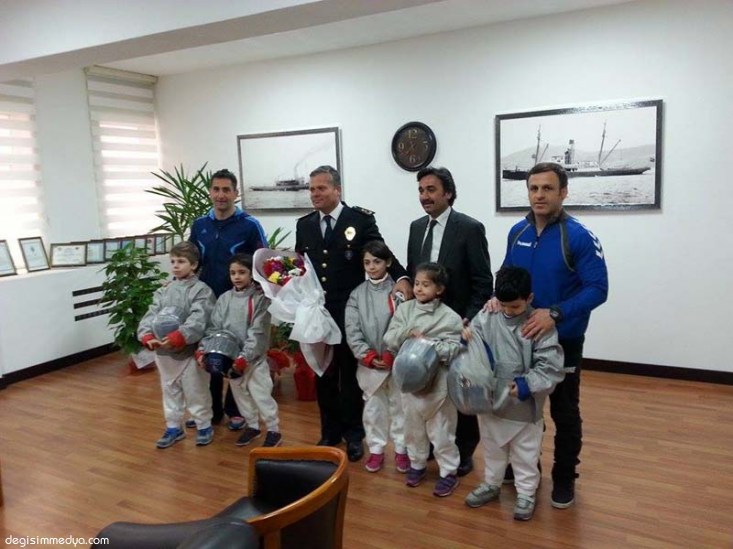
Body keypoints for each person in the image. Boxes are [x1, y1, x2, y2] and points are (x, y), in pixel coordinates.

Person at [492, 162, 608, 509]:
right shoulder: (517, 231)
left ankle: (564, 477)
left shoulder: (578, 236)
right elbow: (507, 275)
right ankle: (527, 467)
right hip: (522, 339)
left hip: (564, 339)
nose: (539, 195)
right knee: (524, 407)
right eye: (534, 188)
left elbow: (598, 289)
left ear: (563, 192)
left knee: (564, 411)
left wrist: (554, 314)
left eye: (547, 188)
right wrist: (497, 297)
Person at [295, 165, 411, 462]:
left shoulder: (359, 220)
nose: (315, 194)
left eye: (321, 188)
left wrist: (401, 278)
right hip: (319, 313)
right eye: (311, 189)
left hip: (350, 311)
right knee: (323, 373)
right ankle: (329, 431)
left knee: (349, 375)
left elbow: (382, 252)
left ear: (337, 190)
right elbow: (300, 266)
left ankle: (355, 434)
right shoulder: (305, 225)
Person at [406, 166, 493, 477]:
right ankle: (434, 443)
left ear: (449, 193)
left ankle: (464, 450)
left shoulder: (469, 228)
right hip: (424, 325)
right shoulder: (416, 227)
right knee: (428, 385)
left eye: (431, 189)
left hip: (458, 326)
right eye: (421, 190)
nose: (424, 196)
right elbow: (414, 275)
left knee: (458, 387)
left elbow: (483, 281)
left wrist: (467, 320)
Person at [463, 266, 565, 521]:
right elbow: (473, 347)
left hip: (523, 406)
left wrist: (524, 385)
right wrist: (466, 337)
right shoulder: (488, 316)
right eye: (503, 305)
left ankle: (526, 493)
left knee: (525, 454)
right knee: (492, 448)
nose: (508, 311)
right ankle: (491, 484)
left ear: (529, 298)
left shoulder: (539, 325)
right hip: (489, 400)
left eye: (515, 307)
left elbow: (550, 367)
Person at [189, 168, 267, 428]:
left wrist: (262, 292)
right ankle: (211, 411)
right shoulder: (199, 225)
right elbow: (191, 261)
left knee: (235, 353)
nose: (220, 195)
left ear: (236, 193)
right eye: (216, 189)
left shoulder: (249, 225)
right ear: (210, 192)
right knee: (209, 353)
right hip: (206, 301)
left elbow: (263, 261)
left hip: (239, 301)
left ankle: (237, 410)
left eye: (226, 190)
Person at [383, 262, 464, 497]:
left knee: (442, 432)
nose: (418, 288)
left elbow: (455, 348)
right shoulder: (405, 310)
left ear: (439, 289)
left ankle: (448, 472)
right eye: (417, 283)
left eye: (425, 285)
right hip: (408, 385)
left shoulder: (449, 317)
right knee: (413, 429)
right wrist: (406, 335)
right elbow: (389, 338)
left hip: (438, 387)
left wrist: (428, 346)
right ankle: (417, 464)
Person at [197, 253, 282, 448]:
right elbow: (214, 328)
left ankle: (273, 430)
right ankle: (252, 426)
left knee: (261, 395)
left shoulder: (260, 299)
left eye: (242, 272)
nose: (236, 277)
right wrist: (204, 350)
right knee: (240, 396)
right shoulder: (224, 298)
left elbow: (258, 332)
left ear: (251, 274)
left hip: (254, 360)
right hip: (230, 360)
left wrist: (245, 357)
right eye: (233, 273)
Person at [137, 242, 216, 449]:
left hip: (190, 351)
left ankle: (204, 425)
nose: (175, 266)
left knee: (196, 391)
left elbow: (200, 318)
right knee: (170, 390)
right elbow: (152, 313)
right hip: (163, 352)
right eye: (172, 261)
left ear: (194, 264)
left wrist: (180, 336)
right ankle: (173, 426)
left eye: (181, 261)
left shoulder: (202, 291)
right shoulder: (164, 290)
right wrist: (147, 335)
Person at [345, 240, 409, 474]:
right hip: (369, 365)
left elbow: (404, 324)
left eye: (377, 262)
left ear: (388, 262)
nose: (372, 267)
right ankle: (376, 449)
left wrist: (392, 352)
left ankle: (402, 450)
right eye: (367, 262)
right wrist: (368, 356)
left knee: (400, 407)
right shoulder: (356, 295)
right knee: (373, 409)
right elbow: (352, 330)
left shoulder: (399, 292)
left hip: (397, 361)